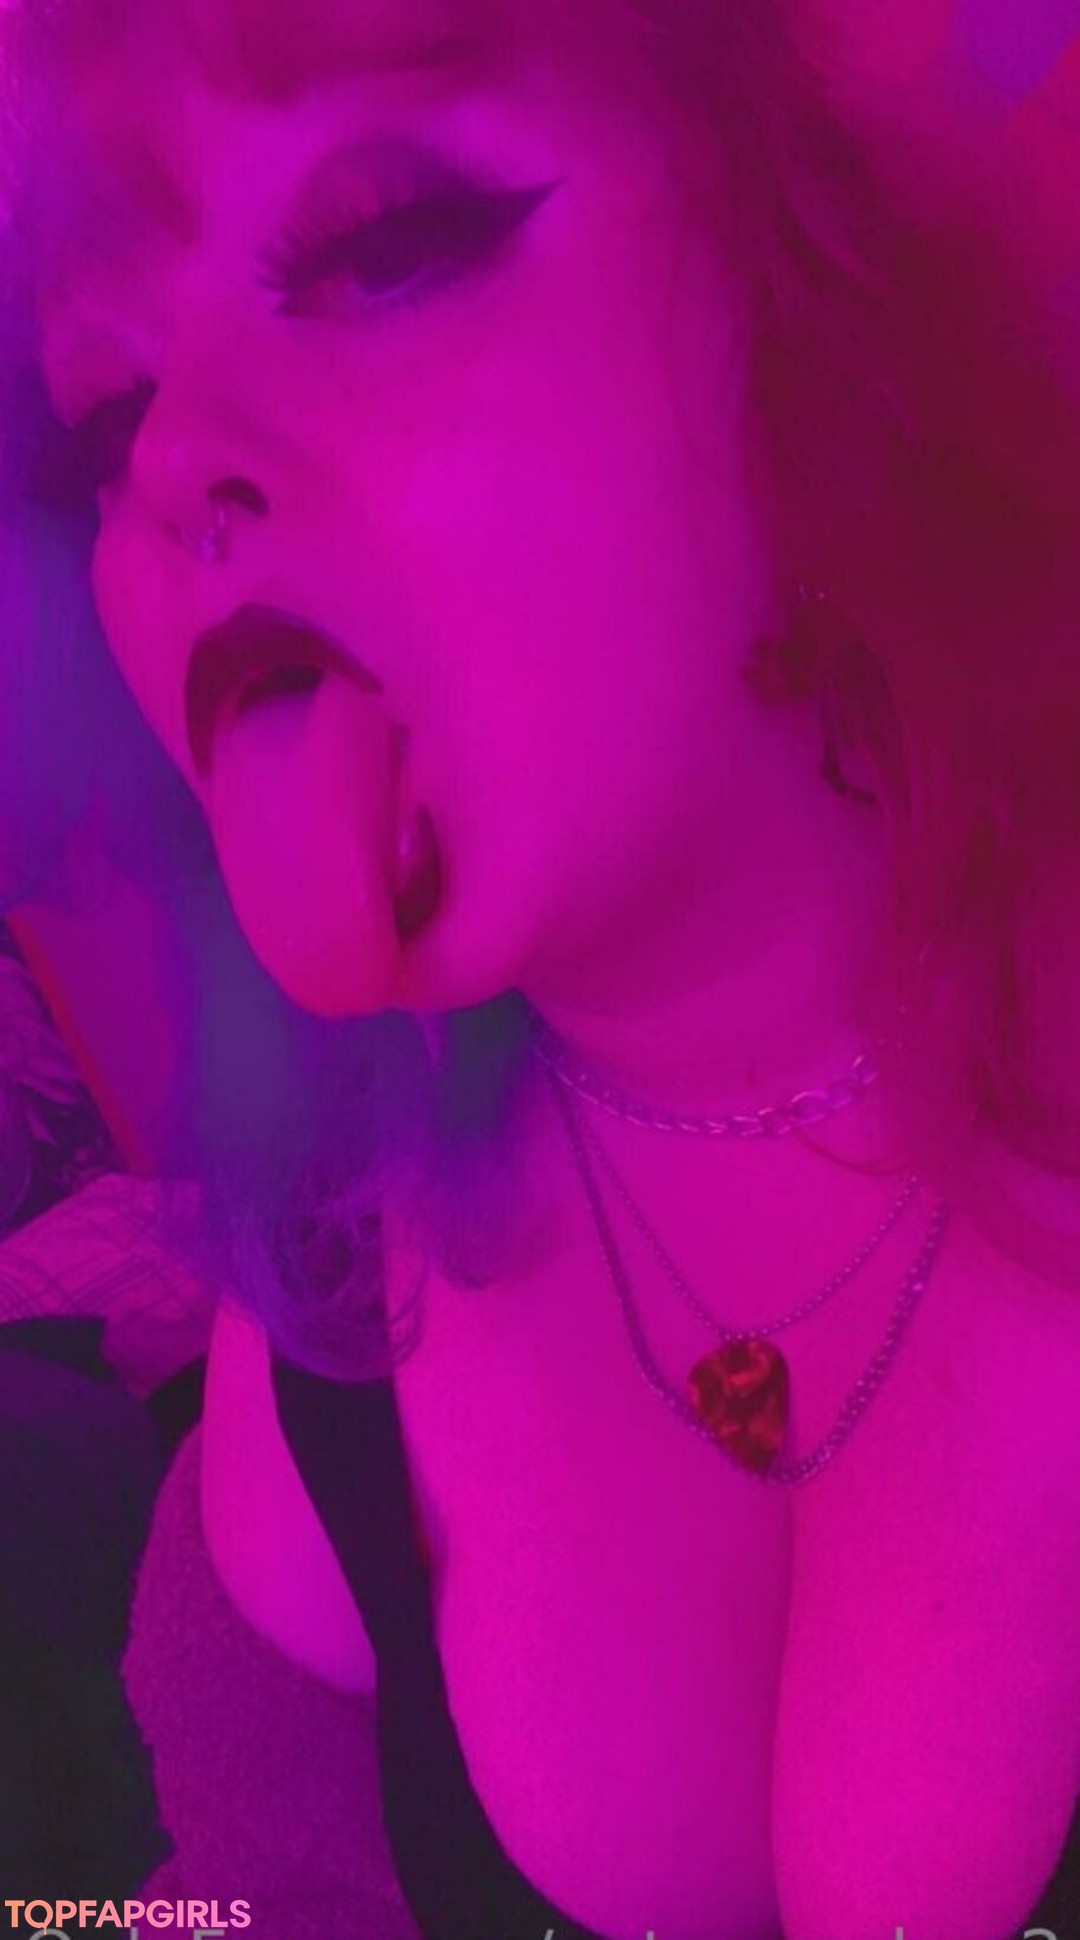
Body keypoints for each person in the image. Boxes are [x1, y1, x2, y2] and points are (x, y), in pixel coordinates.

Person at [0, 2, 1078, 1935]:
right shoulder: (340, 1270)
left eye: (379, 241)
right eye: (104, 412)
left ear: (808, 270)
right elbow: (233, 1914)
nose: (168, 469)